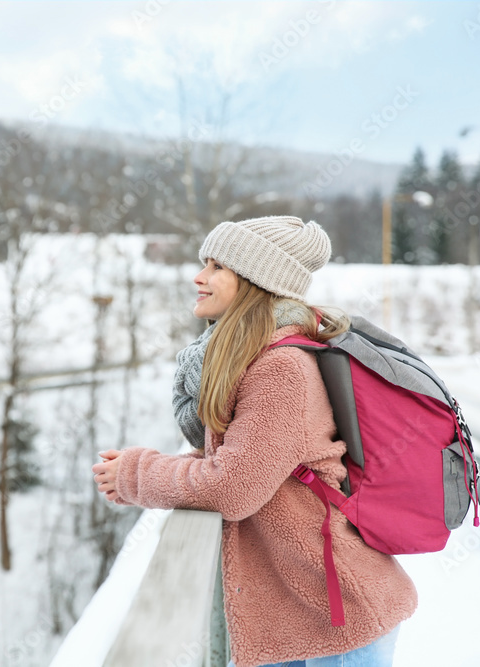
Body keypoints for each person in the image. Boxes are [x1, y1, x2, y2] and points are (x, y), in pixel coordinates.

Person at [92, 216, 417, 667]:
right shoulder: (257, 357)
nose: (199, 277)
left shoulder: (279, 369)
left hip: (336, 625)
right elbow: (241, 461)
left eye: (217, 267)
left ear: (254, 281)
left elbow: (233, 487)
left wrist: (135, 473)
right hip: (294, 619)